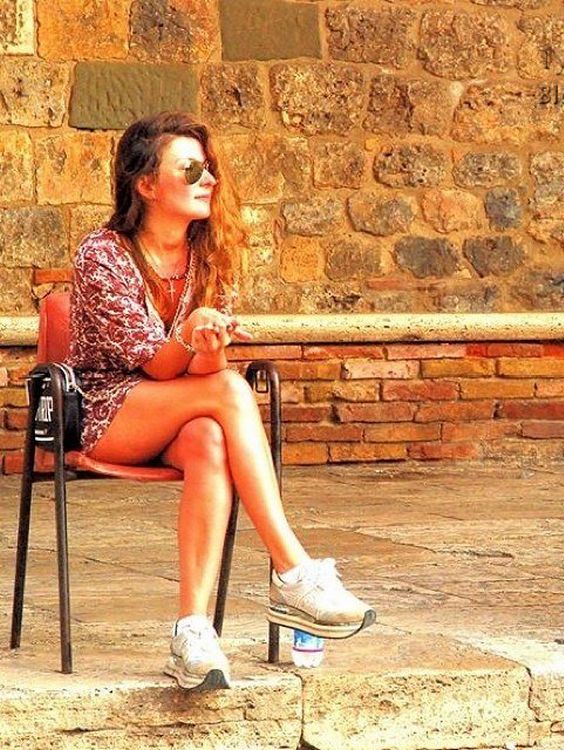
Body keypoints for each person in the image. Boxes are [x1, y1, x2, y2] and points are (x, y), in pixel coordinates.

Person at [66, 111, 375, 691]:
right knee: (231, 390)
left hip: (182, 409)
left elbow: (201, 373)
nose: (207, 178)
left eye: (208, 167)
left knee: (211, 437)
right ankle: (291, 570)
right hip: (107, 412)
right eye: (190, 169)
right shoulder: (102, 255)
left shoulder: (210, 252)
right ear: (146, 184)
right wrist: (192, 337)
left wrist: (209, 345)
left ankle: (193, 632)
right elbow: (158, 364)